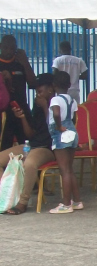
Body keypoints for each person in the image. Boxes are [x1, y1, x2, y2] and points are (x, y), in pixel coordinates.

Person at [0, 74, 57, 215]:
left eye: (40, 91)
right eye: (37, 92)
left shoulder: (58, 104)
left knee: (29, 164)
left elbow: (54, 128)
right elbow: (30, 134)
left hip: (47, 148)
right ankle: (5, 196)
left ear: (50, 89)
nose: (38, 94)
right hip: (32, 145)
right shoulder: (37, 106)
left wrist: (46, 107)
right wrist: (23, 118)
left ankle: (22, 202)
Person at [48, 71, 81, 214]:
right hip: (72, 132)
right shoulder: (72, 100)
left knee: (64, 170)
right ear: (69, 85)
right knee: (70, 169)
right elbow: (74, 118)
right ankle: (77, 201)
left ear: (54, 85)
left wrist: (59, 126)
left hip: (61, 133)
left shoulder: (55, 100)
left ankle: (66, 204)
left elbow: (56, 113)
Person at [0, 35, 37, 151]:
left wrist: (25, 63)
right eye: (5, 48)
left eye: (12, 48)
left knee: (27, 143)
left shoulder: (20, 63)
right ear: (1, 47)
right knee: (4, 146)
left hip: (21, 109)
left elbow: (33, 84)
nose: (8, 51)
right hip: (4, 111)